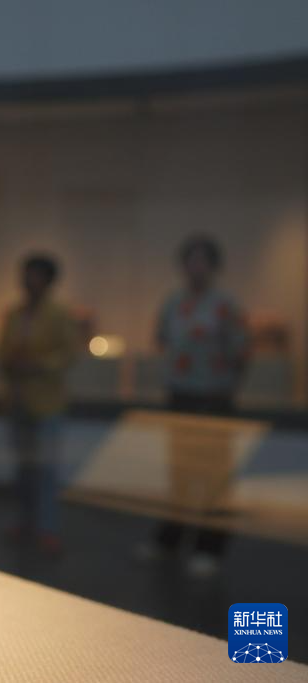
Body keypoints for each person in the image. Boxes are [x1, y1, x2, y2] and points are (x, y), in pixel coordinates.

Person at [140, 235, 249, 578]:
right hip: (180, 394)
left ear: (214, 266)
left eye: (202, 260)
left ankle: (209, 547)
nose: (196, 267)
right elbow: (162, 339)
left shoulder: (225, 304)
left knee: (214, 475)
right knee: (179, 471)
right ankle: (171, 539)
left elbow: (240, 351)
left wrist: (228, 387)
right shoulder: (174, 302)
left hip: (215, 397)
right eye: (191, 260)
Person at [0, 253, 78, 553]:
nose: (30, 281)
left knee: (46, 469)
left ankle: (47, 527)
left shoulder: (59, 314)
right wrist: (10, 362)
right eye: (27, 274)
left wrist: (39, 365)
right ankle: (25, 521)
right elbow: (1, 349)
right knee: (23, 469)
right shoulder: (15, 314)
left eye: (36, 275)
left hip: (47, 403)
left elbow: (69, 353)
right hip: (19, 399)